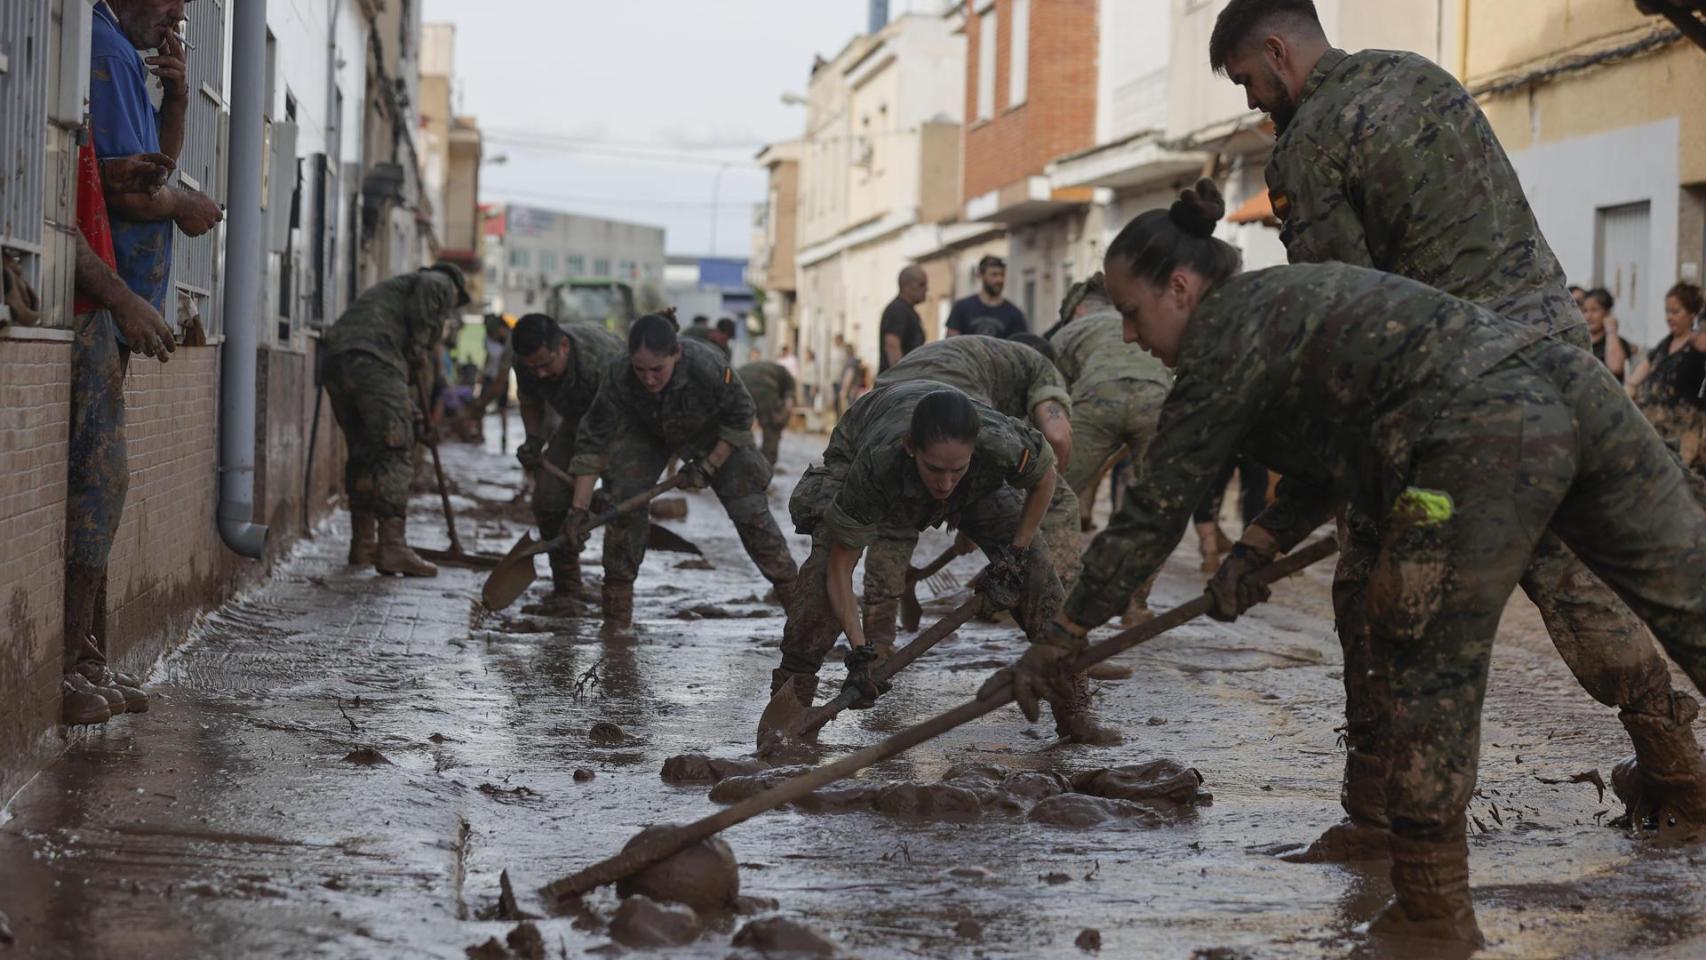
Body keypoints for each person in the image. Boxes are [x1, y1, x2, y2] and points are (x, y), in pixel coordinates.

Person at [992, 182, 1706, 946]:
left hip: (1477, 441)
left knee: (1425, 654)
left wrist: (1064, 631)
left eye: (1132, 314)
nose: (1130, 338)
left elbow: (1155, 510)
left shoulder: (1222, 335)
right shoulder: (1286, 304)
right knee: (1689, 601)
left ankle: (1433, 911)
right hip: (1567, 387)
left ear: (1180, 286)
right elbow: (1338, 451)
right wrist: (1260, 544)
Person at [1212, 0, 1700, 870]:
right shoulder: (1421, 75)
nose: (1256, 105)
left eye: (1250, 83)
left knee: (1370, 589)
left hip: (1455, 399)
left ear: (1278, 53)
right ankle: (1678, 769)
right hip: (1556, 363)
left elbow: (1346, 325)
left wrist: (1289, 508)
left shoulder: (1308, 145)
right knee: (1569, 572)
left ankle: (1377, 818)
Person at [775, 383, 1110, 742]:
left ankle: (1074, 709)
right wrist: (860, 651)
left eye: (956, 470)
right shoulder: (877, 464)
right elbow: (840, 569)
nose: (946, 484)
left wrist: (1015, 555)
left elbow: (1045, 479)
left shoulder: (999, 442)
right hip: (864, 442)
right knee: (819, 585)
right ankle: (789, 706)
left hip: (979, 480)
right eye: (935, 469)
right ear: (910, 449)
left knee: (1037, 575)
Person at [869, 336, 1092, 690]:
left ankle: (876, 650)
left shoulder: (972, 354)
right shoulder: (1041, 368)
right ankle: (1066, 645)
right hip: (953, 409)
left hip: (887, 406)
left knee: (895, 519)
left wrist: (973, 519)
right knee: (1058, 500)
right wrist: (1027, 516)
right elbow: (1058, 437)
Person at [567, 314, 799, 637]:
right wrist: (578, 509)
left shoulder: (706, 365)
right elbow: (593, 441)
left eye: (657, 370)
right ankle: (616, 623)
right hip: (649, 432)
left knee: (752, 516)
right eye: (640, 370)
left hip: (717, 434)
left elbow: (742, 414)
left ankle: (803, 618)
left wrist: (709, 465)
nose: (648, 379)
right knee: (622, 502)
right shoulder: (618, 375)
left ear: (675, 353)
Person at [59, 140, 181, 726]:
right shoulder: (84, 56)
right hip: (79, 308)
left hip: (96, 310)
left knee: (103, 489)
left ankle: (82, 652)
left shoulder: (96, 91)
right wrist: (121, 298)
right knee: (98, 485)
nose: (167, 39)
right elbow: (55, 223)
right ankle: (63, 660)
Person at [323, 263, 472, 578]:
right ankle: (392, 547)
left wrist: (415, 412)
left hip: (339, 359)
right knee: (395, 449)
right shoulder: (440, 282)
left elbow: (401, 384)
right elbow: (417, 344)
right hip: (373, 360)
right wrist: (420, 345)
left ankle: (363, 543)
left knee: (364, 450)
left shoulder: (395, 296)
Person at [1048, 273, 1172, 616]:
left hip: (1096, 396)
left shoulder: (1068, 332)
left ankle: (1056, 598)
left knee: (1055, 497)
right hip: (1159, 399)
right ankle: (1135, 601)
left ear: (1078, 310)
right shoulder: (1140, 321)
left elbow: (1050, 400)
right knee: (1158, 505)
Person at [509, 313, 626, 605]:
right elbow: (530, 398)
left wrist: (579, 506)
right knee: (548, 499)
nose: (540, 374)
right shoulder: (528, 360)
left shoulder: (601, 363)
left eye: (546, 365)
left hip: (627, 423)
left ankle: (619, 598)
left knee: (619, 505)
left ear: (563, 346)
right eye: (532, 368)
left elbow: (594, 446)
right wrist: (534, 439)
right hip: (578, 420)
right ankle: (568, 588)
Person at [1627, 282, 1706, 478]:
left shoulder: (1698, 347)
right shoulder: (1665, 343)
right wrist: (1630, 387)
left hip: (1684, 437)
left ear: (1691, 314)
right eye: (1667, 312)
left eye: (1675, 311)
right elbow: (1643, 368)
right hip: (1655, 433)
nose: (1669, 317)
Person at [946, 256, 1027, 339]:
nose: (999, 280)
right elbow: (951, 344)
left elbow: (1019, 348)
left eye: (1002, 275)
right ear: (981, 275)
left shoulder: (1014, 314)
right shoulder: (962, 308)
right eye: (994, 275)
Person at [738, 360, 798, 467]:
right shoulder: (790, 382)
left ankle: (742, 459)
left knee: (739, 425)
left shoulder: (775, 369)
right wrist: (780, 422)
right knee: (771, 428)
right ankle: (765, 466)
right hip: (764, 384)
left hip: (739, 379)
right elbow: (789, 406)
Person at [880, 265, 929, 371]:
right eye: (921, 284)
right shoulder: (897, 310)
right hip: (896, 383)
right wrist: (901, 376)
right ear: (906, 285)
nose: (926, 289)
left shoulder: (909, 312)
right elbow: (892, 345)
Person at [1582, 288, 1633, 382]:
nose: (1588, 316)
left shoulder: (1618, 343)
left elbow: (1615, 368)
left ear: (1607, 313)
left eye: (1594, 310)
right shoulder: (1580, 342)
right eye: (1585, 311)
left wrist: (1611, 331)